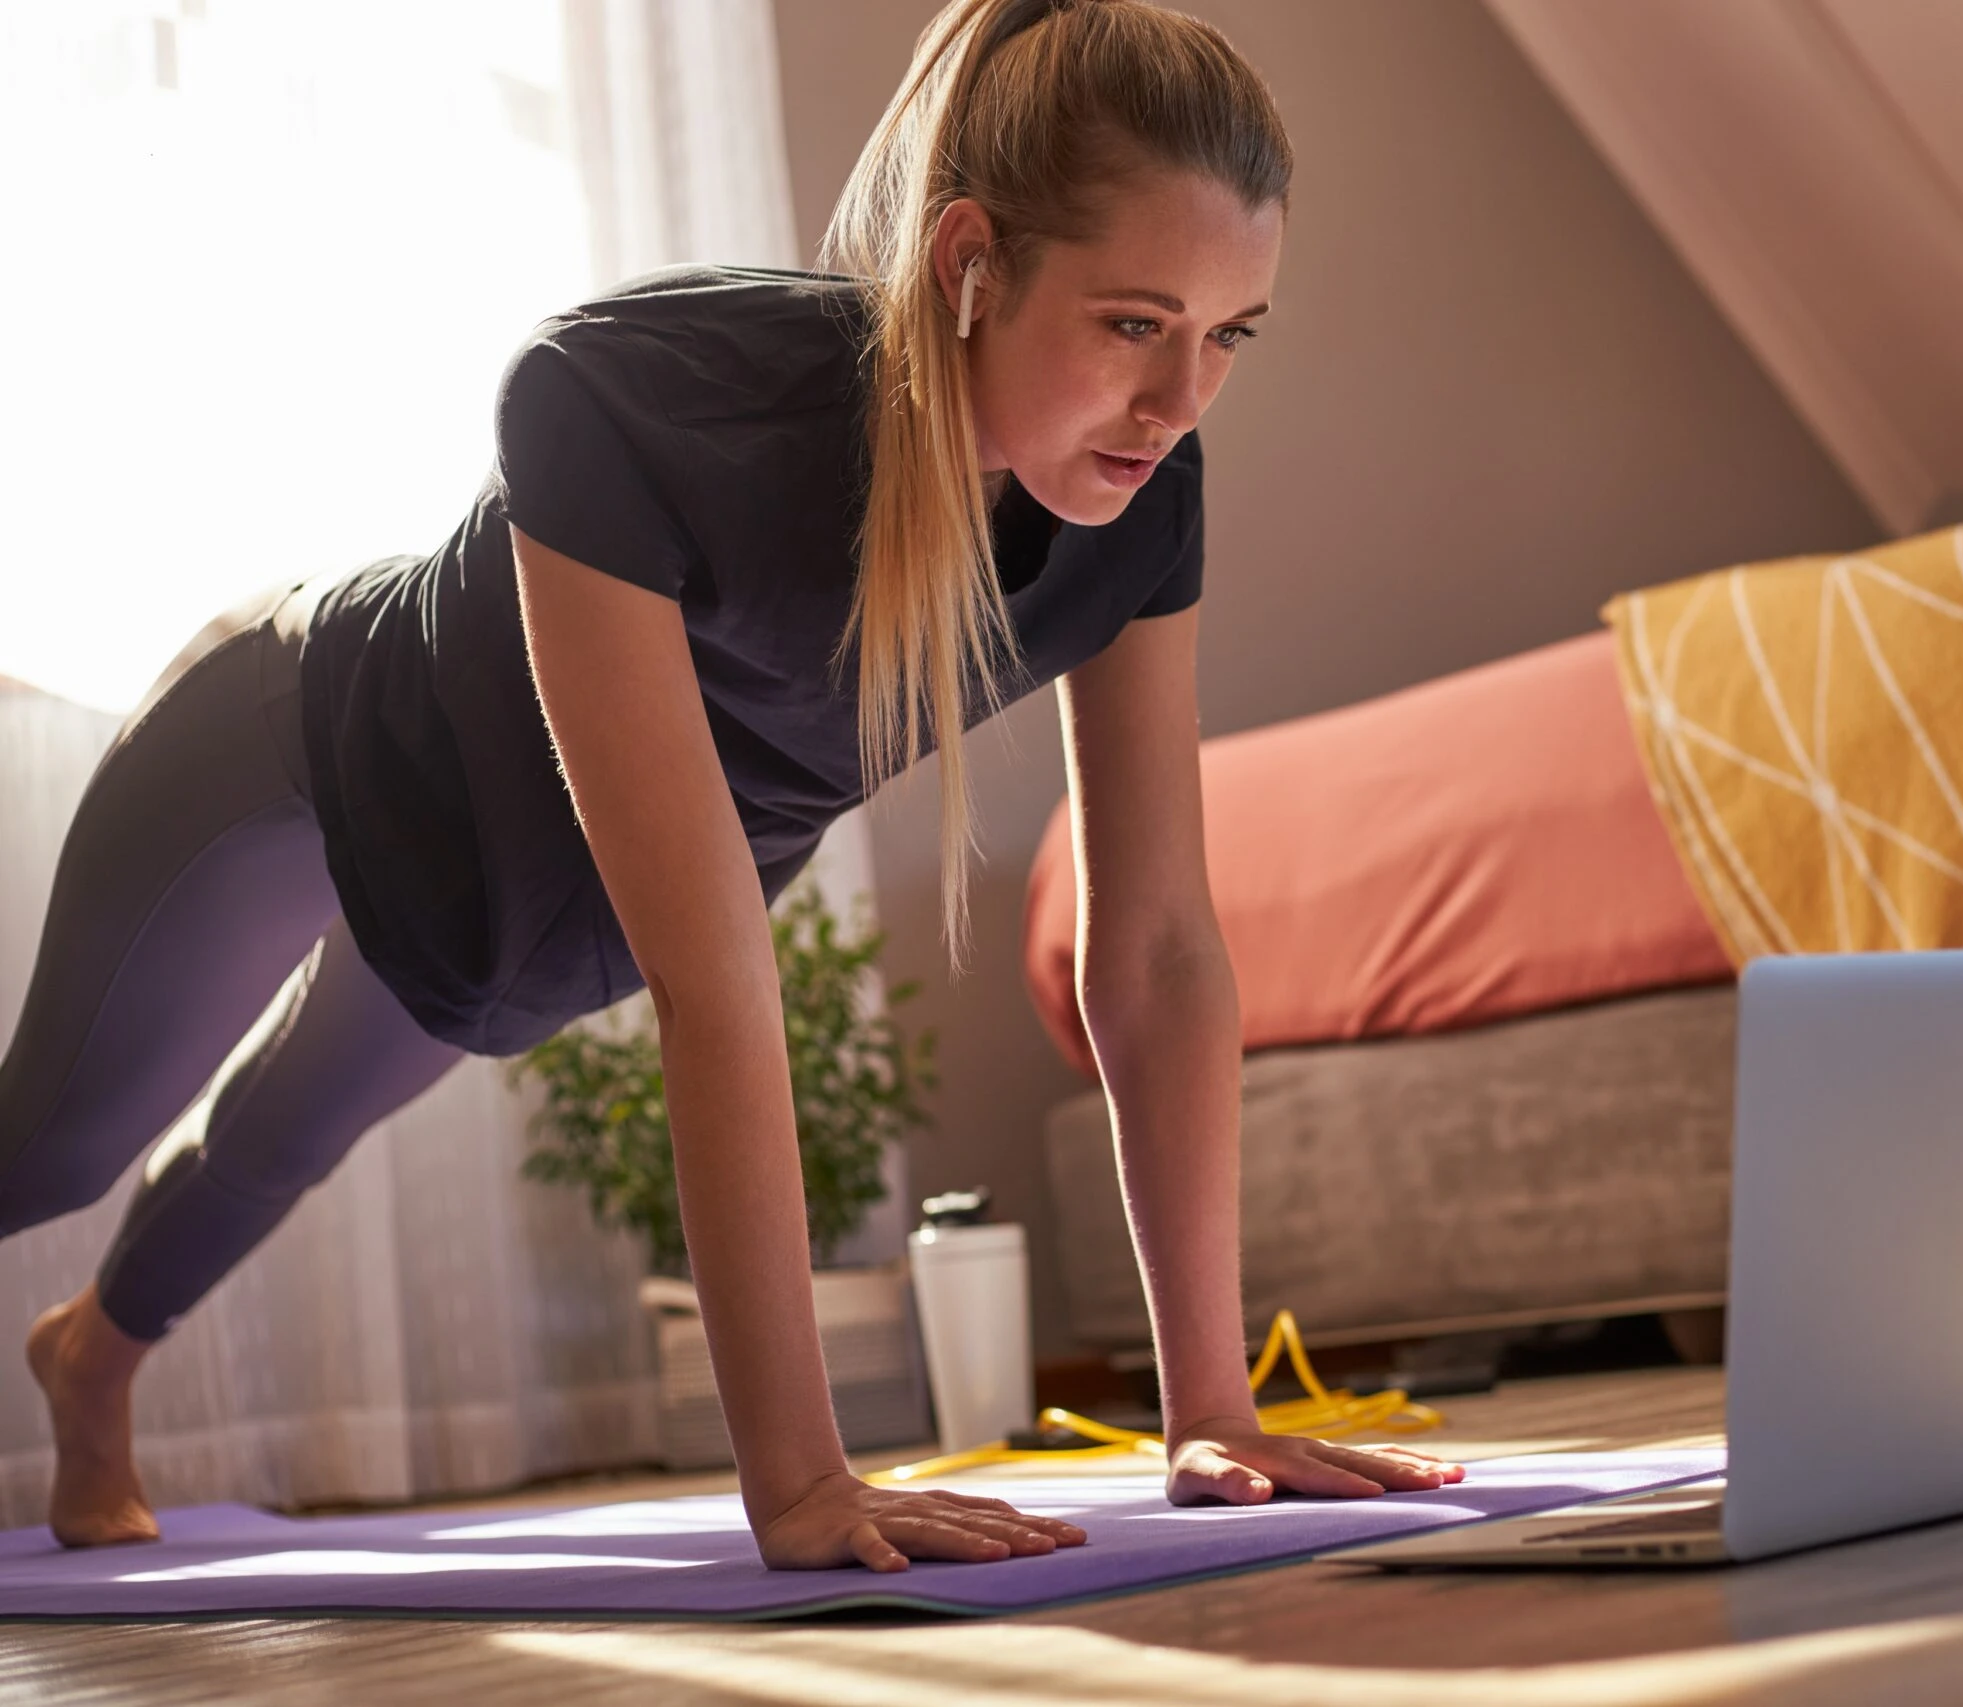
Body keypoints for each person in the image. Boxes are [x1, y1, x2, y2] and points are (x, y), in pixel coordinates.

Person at [0, 0, 1460, 1572]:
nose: (1182, 404)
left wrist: (1212, 1407)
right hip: (306, 744)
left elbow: (1161, 944)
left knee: (284, 1132)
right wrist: (804, 1479)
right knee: (57, 1148)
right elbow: (714, 977)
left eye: (1228, 334)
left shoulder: (1140, 504)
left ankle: (92, 1355)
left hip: (515, 911)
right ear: (970, 261)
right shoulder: (643, 401)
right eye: (1133, 324)